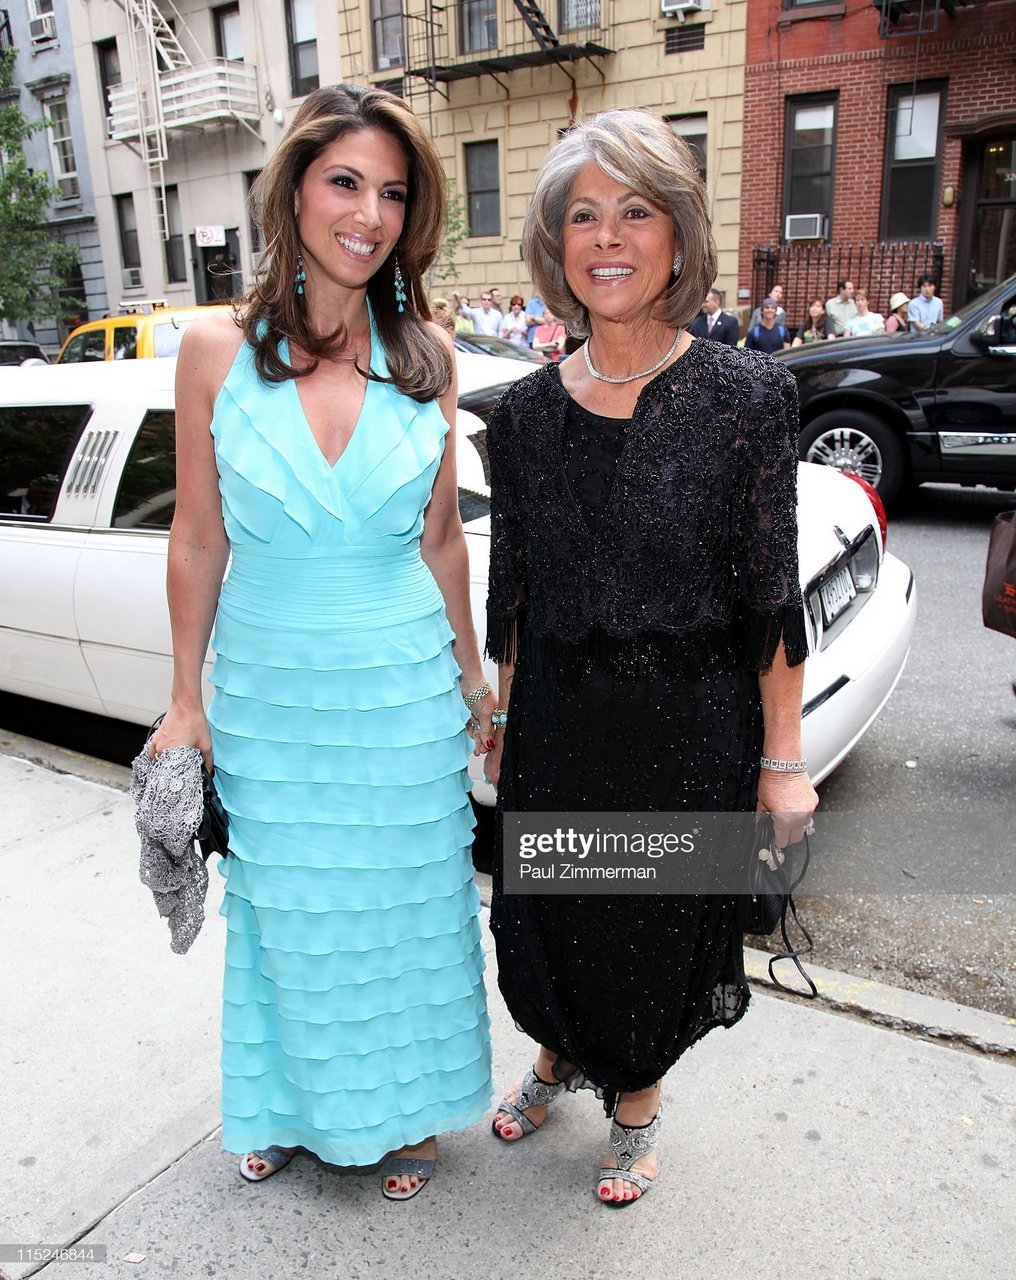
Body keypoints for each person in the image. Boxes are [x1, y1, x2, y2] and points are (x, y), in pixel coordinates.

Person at [149, 84, 495, 1203]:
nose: (369, 212)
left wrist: (471, 672)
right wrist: (185, 699)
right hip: (270, 685)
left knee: (397, 905)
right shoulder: (211, 348)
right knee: (289, 906)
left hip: (398, 686)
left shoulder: (428, 355)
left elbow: (442, 538)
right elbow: (197, 537)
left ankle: (396, 1114)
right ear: (294, 188)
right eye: (345, 180)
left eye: (392, 192)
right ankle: (286, 1104)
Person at [483, 108, 817, 1208]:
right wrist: (503, 703)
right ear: (555, 243)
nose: (608, 236)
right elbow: (516, 585)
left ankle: (634, 1098)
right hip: (559, 727)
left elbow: (770, 598)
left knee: (651, 924)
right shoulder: (523, 414)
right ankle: (557, 1051)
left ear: (676, 236)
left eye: (635, 210)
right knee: (557, 912)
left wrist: (783, 759)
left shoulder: (744, 397)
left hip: (687, 728)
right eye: (583, 214)